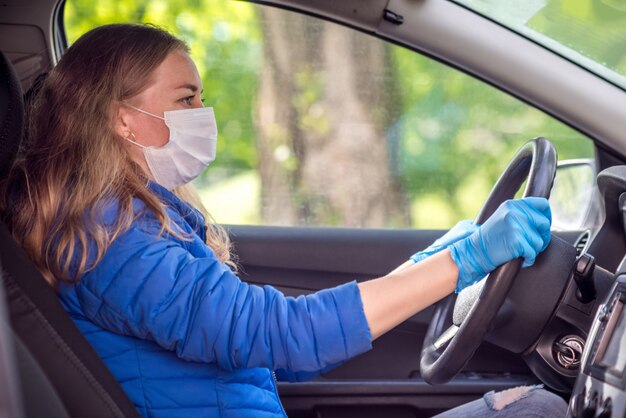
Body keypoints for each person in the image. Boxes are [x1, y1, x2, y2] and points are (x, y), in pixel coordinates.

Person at [0, 23, 567, 417]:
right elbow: (279, 335)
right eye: (187, 98)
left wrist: (425, 266)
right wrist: (460, 262)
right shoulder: (112, 238)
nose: (204, 115)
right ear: (124, 119)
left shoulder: (129, 222)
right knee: (539, 408)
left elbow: (258, 353)